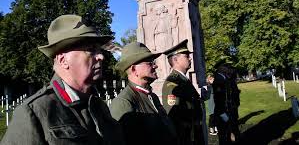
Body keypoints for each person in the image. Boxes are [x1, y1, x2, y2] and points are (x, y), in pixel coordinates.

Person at [1, 15, 125, 145]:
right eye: (91, 50)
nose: (101, 56)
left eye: (99, 50)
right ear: (63, 60)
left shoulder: (99, 106)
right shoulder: (34, 112)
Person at [109, 42, 178, 145]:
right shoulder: (123, 102)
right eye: (149, 63)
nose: (155, 65)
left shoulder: (152, 96)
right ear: (134, 69)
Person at [162, 39, 205, 145]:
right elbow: (174, 116)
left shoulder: (183, 79)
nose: (190, 58)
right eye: (186, 56)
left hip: (194, 135)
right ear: (175, 60)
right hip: (187, 138)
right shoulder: (172, 82)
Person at [212, 59, 239, 145]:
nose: (227, 68)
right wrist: (224, 115)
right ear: (220, 68)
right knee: (223, 135)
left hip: (227, 110)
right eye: (225, 66)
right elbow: (219, 99)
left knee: (227, 133)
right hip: (222, 112)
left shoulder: (224, 77)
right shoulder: (218, 79)